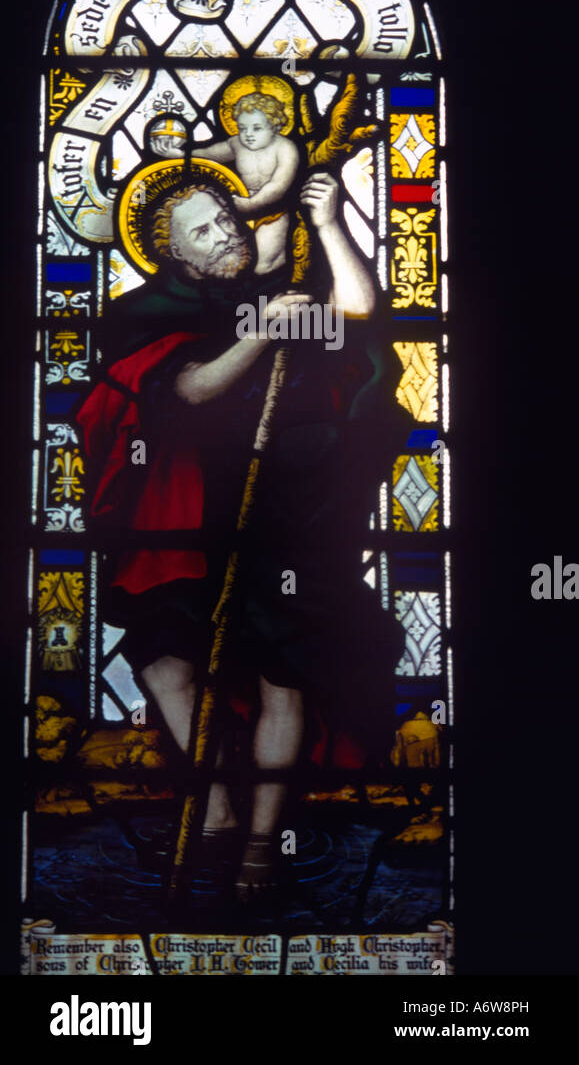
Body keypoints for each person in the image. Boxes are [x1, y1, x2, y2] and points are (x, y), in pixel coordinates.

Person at [78, 168, 406, 902]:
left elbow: (354, 309)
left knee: (277, 675)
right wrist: (259, 335)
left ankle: (260, 843)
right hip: (187, 514)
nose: (225, 233)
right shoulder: (144, 312)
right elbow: (189, 391)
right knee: (165, 664)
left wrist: (326, 225)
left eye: (226, 218)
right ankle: (217, 809)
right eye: (204, 230)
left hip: (282, 510)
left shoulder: (272, 292)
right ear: (172, 255)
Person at [199, 93, 300, 275]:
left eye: (257, 128)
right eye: (242, 128)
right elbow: (207, 154)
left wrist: (251, 204)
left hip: (272, 211)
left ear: (274, 126)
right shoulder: (236, 144)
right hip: (239, 211)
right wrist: (178, 154)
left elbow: (278, 186)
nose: (248, 135)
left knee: (261, 266)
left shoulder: (285, 148)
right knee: (231, 264)